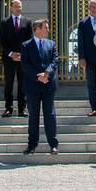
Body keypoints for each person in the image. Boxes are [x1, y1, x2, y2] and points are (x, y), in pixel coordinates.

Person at [21, 19, 59, 154]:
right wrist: (38, 76)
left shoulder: (51, 44)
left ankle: (53, 145)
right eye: (45, 28)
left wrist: (47, 74)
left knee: (50, 115)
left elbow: (55, 61)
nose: (48, 30)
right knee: (33, 116)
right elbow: (25, 65)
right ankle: (32, 145)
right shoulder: (26, 45)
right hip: (33, 86)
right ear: (37, 29)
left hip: (48, 85)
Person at [0, 0, 32, 117]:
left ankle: (22, 109)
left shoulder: (27, 22)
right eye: (16, 7)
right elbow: (2, 40)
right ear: (11, 8)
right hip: (9, 58)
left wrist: (22, 55)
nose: (18, 8)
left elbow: (30, 40)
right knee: (9, 83)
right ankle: (9, 108)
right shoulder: (4, 22)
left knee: (23, 84)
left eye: (20, 7)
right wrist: (11, 53)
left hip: (23, 58)